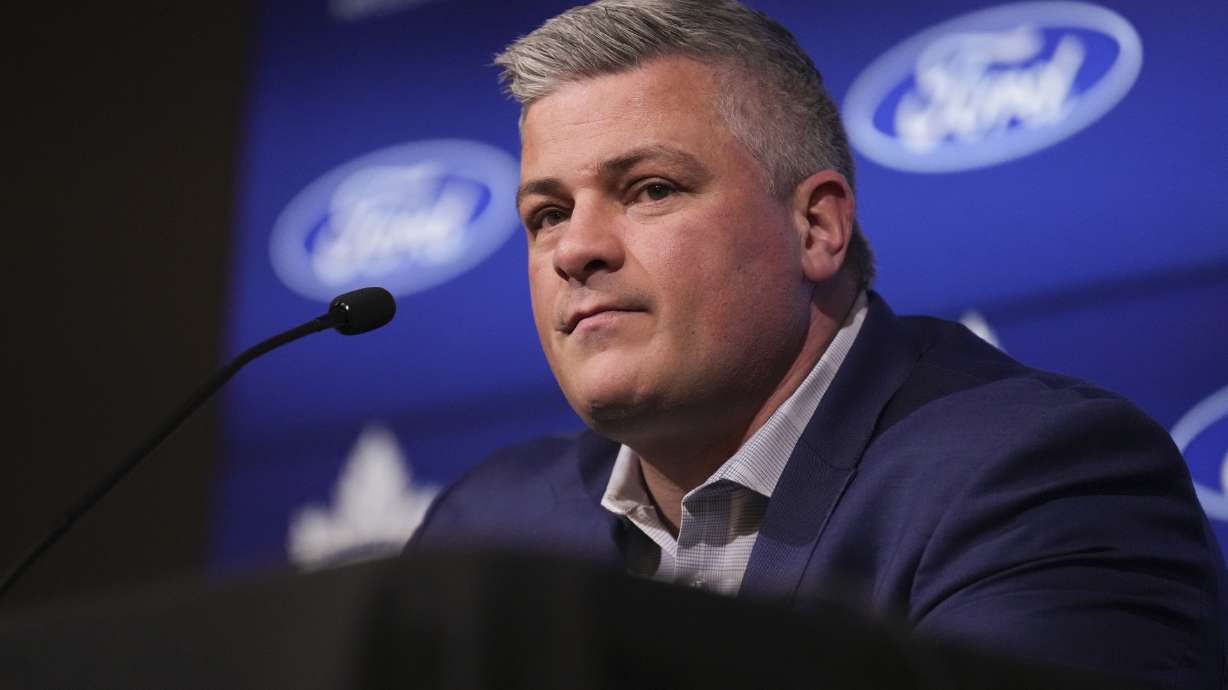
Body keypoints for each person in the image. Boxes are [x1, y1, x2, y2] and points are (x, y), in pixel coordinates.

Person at [409, 1, 1227, 686]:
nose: (573, 249)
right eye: (547, 213)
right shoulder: (485, 530)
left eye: (650, 189)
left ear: (817, 226)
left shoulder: (1037, 479)